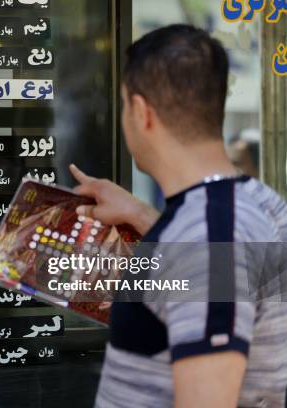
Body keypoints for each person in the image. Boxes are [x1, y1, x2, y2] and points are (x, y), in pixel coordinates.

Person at [69, 24, 287, 407]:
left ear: (141, 112)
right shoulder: (249, 207)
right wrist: (140, 215)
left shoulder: (211, 233)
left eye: (123, 105)